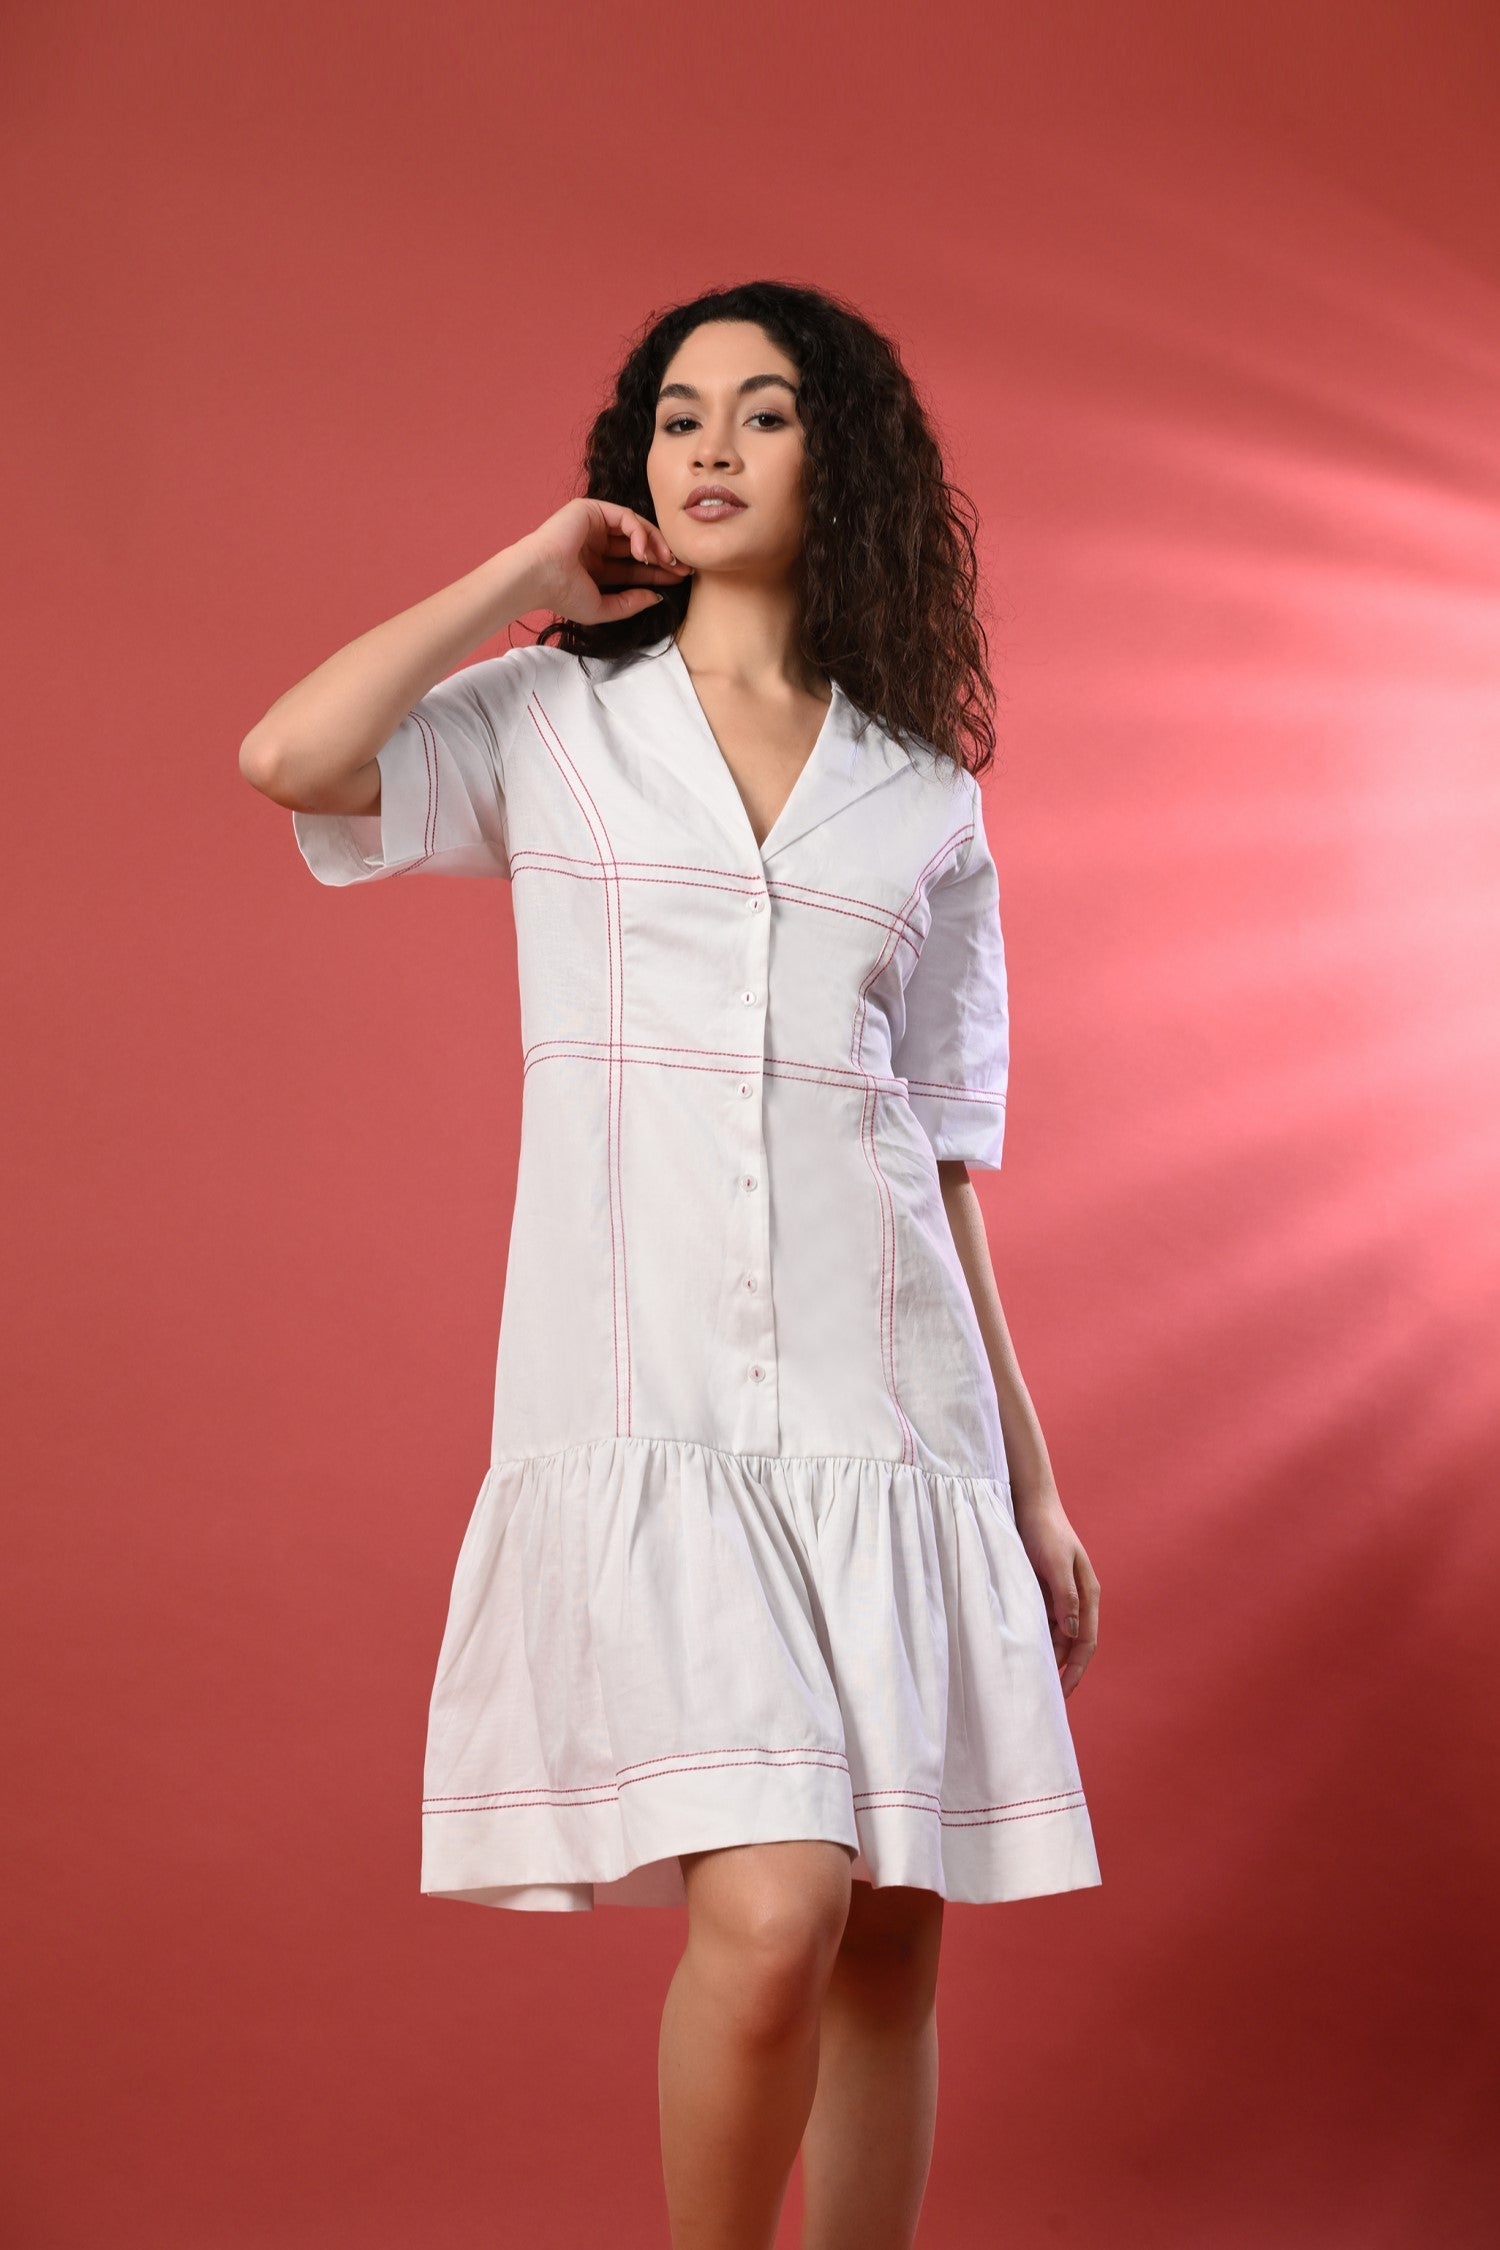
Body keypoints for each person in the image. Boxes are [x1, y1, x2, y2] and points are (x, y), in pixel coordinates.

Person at [241, 279, 1101, 2250]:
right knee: (777, 1907)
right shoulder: (559, 723)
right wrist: (525, 573)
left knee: (890, 1943)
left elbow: (945, 1161)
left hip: (896, 1423)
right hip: (658, 1421)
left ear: (842, 458)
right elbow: (293, 758)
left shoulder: (927, 800)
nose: (710, 446)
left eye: (766, 411)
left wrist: (1032, 1483)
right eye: (677, 413)